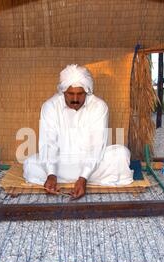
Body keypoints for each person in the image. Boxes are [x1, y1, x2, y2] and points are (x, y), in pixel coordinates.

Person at [23, 64, 134, 200]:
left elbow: (97, 146)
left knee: (121, 154)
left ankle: (78, 180)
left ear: (87, 91)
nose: (75, 99)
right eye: (70, 93)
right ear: (63, 91)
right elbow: (48, 143)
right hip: (61, 162)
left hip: (92, 163)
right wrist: (51, 174)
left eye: (80, 94)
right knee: (30, 164)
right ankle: (55, 179)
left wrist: (83, 178)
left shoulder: (99, 106)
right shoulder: (50, 107)